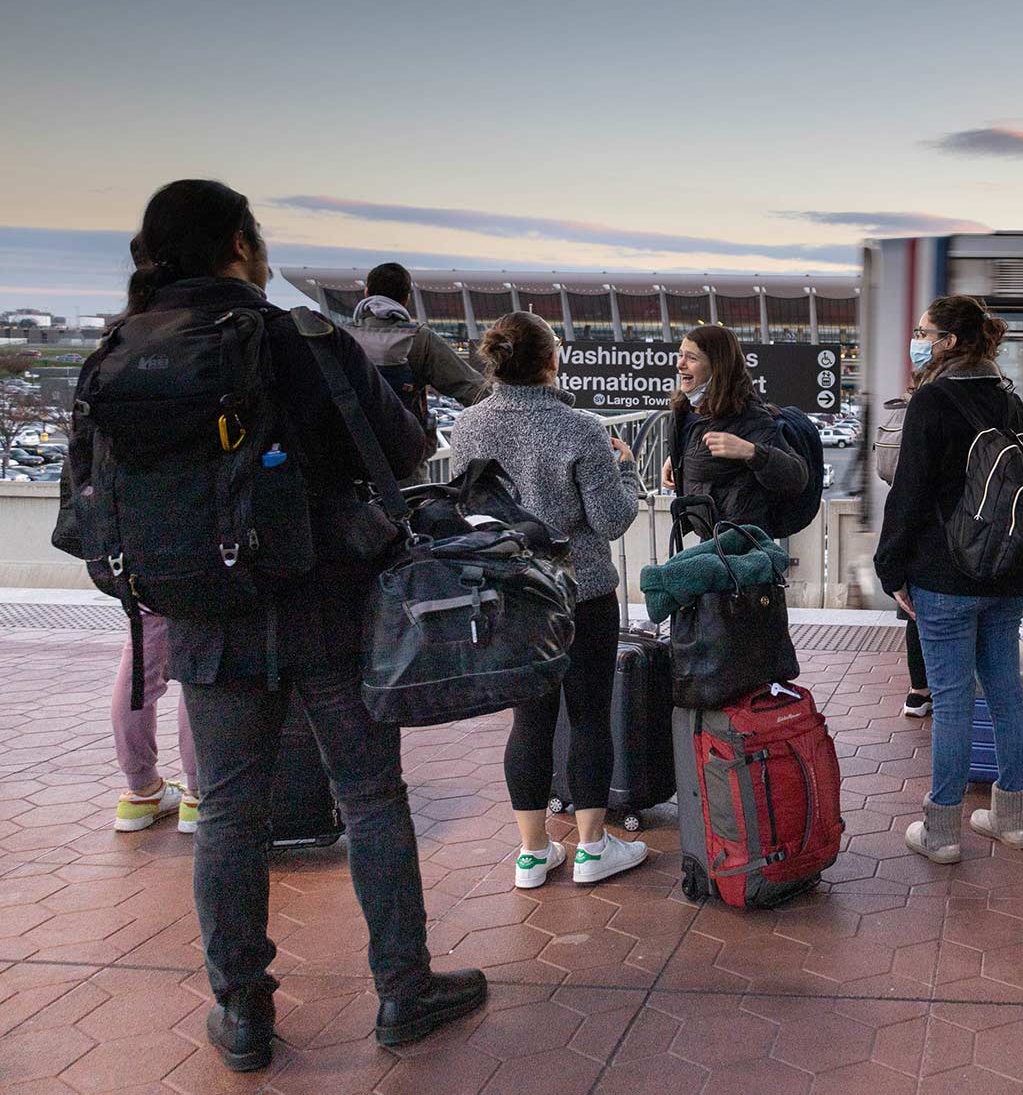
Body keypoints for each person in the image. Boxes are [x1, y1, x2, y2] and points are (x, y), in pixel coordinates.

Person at [80, 181, 485, 1071]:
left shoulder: (120, 349)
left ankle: (242, 1009)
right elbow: (402, 449)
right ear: (238, 245)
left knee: (228, 810)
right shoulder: (297, 338)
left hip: (203, 619)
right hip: (326, 605)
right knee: (372, 797)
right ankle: (402, 991)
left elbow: (93, 494)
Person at [446, 311, 649, 889]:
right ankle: (590, 848)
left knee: (528, 721)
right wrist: (629, 472)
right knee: (589, 717)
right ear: (551, 360)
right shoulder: (581, 428)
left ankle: (532, 854)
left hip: (512, 595)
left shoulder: (468, 427)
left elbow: (470, 514)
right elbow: (611, 520)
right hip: (581, 594)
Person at [874, 295, 1023, 863]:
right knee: (1004, 690)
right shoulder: (1009, 397)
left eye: (924, 331)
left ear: (947, 341)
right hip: (1005, 570)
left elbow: (909, 493)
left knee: (950, 701)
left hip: (944, 574)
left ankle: (941, 832)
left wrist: (890, 567)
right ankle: (1011, 819)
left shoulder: (933, 399)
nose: (917, 339)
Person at [659, 323, 808, 538]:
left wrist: (750, 452)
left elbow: (796, 477)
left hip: (741, 547)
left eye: (691, 358)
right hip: (710, 538)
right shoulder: (687, 409)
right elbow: (702, 445)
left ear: (717, 366)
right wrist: (678, 458)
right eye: (680, 355)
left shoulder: (749, 416)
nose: (680, 364)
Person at [345, 262, 488, 482]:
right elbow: (471, 388)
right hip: (405, 465)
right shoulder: (419, 339)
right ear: (406, 298)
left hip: (349, 462)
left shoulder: (340, 338)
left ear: (366, 292)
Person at [111, 612, 199, 834]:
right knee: (203, 660)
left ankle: (141, 791)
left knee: (138, 665)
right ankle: (200, 795)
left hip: (145, 582)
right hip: (202, 584)